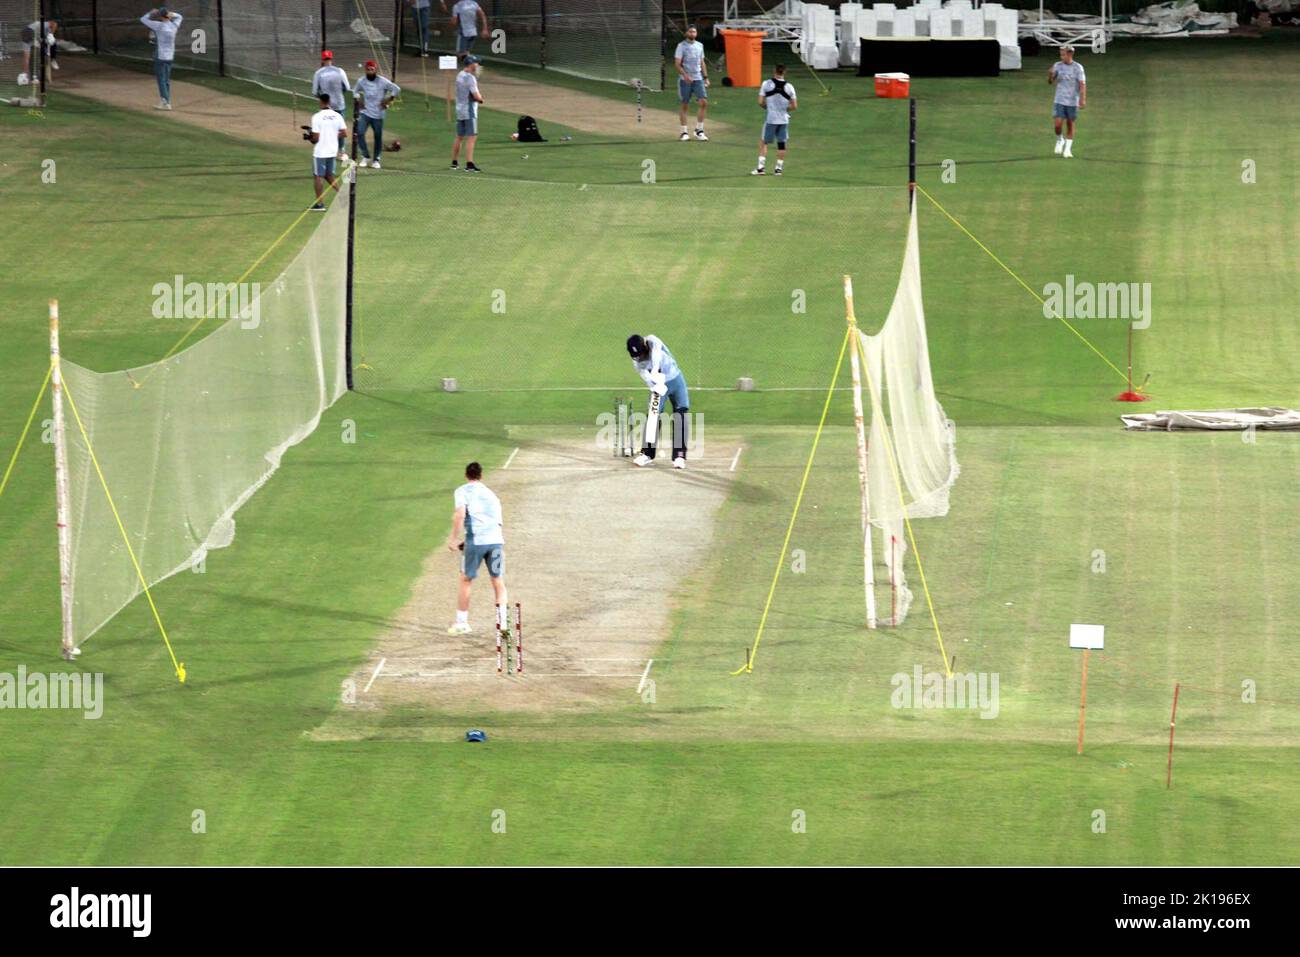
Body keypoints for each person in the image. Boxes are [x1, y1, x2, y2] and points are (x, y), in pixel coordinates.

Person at [445, 461, 509, 638]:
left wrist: (453, 539)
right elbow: (493, 522)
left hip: (476, 541)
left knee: (466, 580)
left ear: (466, 475)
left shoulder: (462, 491)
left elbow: (460, 515)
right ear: (481, 476)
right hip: (496, 540)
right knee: (498, 580)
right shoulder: (492, 495)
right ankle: (503, 623)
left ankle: (462, 623)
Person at [626, 334, 691, 469]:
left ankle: (679, 456)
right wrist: (655, 386)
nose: (640, 358)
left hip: (676, 379)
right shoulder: (637, 361)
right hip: (659, 386)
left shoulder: (652, 340)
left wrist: (655, 372)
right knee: (653, 415)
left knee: (681, 413)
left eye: (642, 354)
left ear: (644, 345)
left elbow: (656, 356)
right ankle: (647, 454)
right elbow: (645, 376)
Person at [353, 60, 400, 168]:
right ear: (365, 70)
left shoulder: (382, 81)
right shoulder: (362, 81)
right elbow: (355, 91)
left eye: (372, 70)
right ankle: (365, 156)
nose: (370, 72)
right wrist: (358, 100)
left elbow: (396, 89)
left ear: (376, 70)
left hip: (378, 114)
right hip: (365, 112)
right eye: (368, 70)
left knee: (378, 137)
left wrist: (389, 99)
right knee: (359, 133)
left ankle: (376, 160)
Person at [753, 63, 796, 176]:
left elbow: (760, 102)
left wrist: (769, 108)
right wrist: (784, 110)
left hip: (771, 119)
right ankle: (778, 169)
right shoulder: (790, 87)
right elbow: (794, 106)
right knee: (781, 144)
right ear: (784, 72)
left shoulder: (766, 84)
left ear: (774, 71)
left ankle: (761, 169)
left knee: (763, 142)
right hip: (784, 120)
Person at [307, 92, 347, 210]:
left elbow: (316, 138)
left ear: (320, 102)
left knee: (317, 176)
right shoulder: (337, 116)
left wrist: (310, 137)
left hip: (320, 151)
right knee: (329, 175)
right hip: (332, 150)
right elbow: (344, 133)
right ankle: (342, 195)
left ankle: (320, 204)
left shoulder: (316, 117)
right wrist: (332, 134)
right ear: (329, 102)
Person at [1048, 45, 1086, 158]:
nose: (1061, 56)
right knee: (1058, 124)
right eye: (1061, 54)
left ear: (1070, 54)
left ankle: (1068, 149)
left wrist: (1082, 99)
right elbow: (1051, 82)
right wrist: (1050, 75)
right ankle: (1060, 139)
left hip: (1072, 101)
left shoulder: (1078, 68)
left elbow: (1082, 84)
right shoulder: (1057, 66)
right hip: (1059, 99)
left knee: (1070, 124)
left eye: (1063, 54)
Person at [140, 8, 182, 110]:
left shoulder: (159, 26)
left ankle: (165, 102)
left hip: (161, 56)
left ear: (161, 16)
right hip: (170, 56)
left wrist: (150, 12)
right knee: (166, 80)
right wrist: (173, 14)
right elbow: (180, 16)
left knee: (161, 80)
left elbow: (143, 19)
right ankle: (166, 101)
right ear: (168, 15)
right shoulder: (174, 25)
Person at [312, 50, 351, 160]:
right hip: (339, 104)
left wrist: (323, 97)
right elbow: (347, 87)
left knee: (325, 128)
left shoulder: (318, 73)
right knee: (340, 128)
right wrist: (338, 94)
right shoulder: (340, 71)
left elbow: (314, 92)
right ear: (331, 59)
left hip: (326, 106)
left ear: (322, 60)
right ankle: (341, 152)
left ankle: (327, 150)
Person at [674, 25, 709, 142]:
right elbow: (677, 64)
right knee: (685, 105)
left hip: (698, 78)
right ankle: (683, 132)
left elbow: (702, 62)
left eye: (694, 32)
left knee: (704, 102)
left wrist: (705, 77)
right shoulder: (681, 46)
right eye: (690, 31)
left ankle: (699, 130)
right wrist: (685, 75)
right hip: (685, 80)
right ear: (686, 33)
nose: (692, 34)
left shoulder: (700, 46)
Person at [450, 55, 484, 172]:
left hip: (459, 109)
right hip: (469, 110)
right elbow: (476, 96)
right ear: (471, 64)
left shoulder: (459, 74)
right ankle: (469, 164)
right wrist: (481, 99)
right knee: (472, 137)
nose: (478, 65)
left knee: (459, 137)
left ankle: (454, 162)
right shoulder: (470, 78)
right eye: (476, 63)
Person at [17, 19, 57, 88]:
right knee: (34, 57)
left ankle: (28, 76)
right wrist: (51, 34)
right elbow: (54, 24)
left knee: (29, 58)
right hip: (31, 32)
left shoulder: (43, 35)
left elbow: (44, 42)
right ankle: (33, 77)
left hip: (28, 33)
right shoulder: (45, 25)